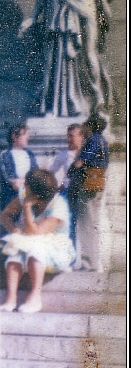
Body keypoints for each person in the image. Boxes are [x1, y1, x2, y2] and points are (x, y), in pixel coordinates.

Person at [0, 168, 75, 314]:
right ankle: (11, 298)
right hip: (28, 241)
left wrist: (27, 208)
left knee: (35, 250)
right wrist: (14, 229)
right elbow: (5, 216)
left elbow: (34, 233)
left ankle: (35, 297)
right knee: (15, 252)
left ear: (37, 194)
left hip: (57, 248)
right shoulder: (24, 196)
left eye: (26, 184)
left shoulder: (59, 205)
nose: (23, 186)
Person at [67, 114, 110, 272]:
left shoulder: (92, 140)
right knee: (93, 223)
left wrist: (71, 170)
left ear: (90, 126)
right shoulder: (102, 140)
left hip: (87, 186)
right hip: (96, 185)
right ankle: (94, 261)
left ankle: (89, 262)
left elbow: (80, 162)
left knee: (86, 224)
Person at [0, 124, 38, 213]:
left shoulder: (30, 154)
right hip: (12, 196)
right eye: (25, 134)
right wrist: (18, 182)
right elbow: (9, 177)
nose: (28, 137)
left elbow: (35, 173)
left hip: (28, 194)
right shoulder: (5, 154)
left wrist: (25, 182)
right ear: (14, 137)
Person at [47, 123, 85, 191]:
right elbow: (51, 171)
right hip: (68, 190)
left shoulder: (88, 153)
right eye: (68, 136)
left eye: (71, 136)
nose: (68, 139)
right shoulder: (64, 154)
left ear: (81, 137)